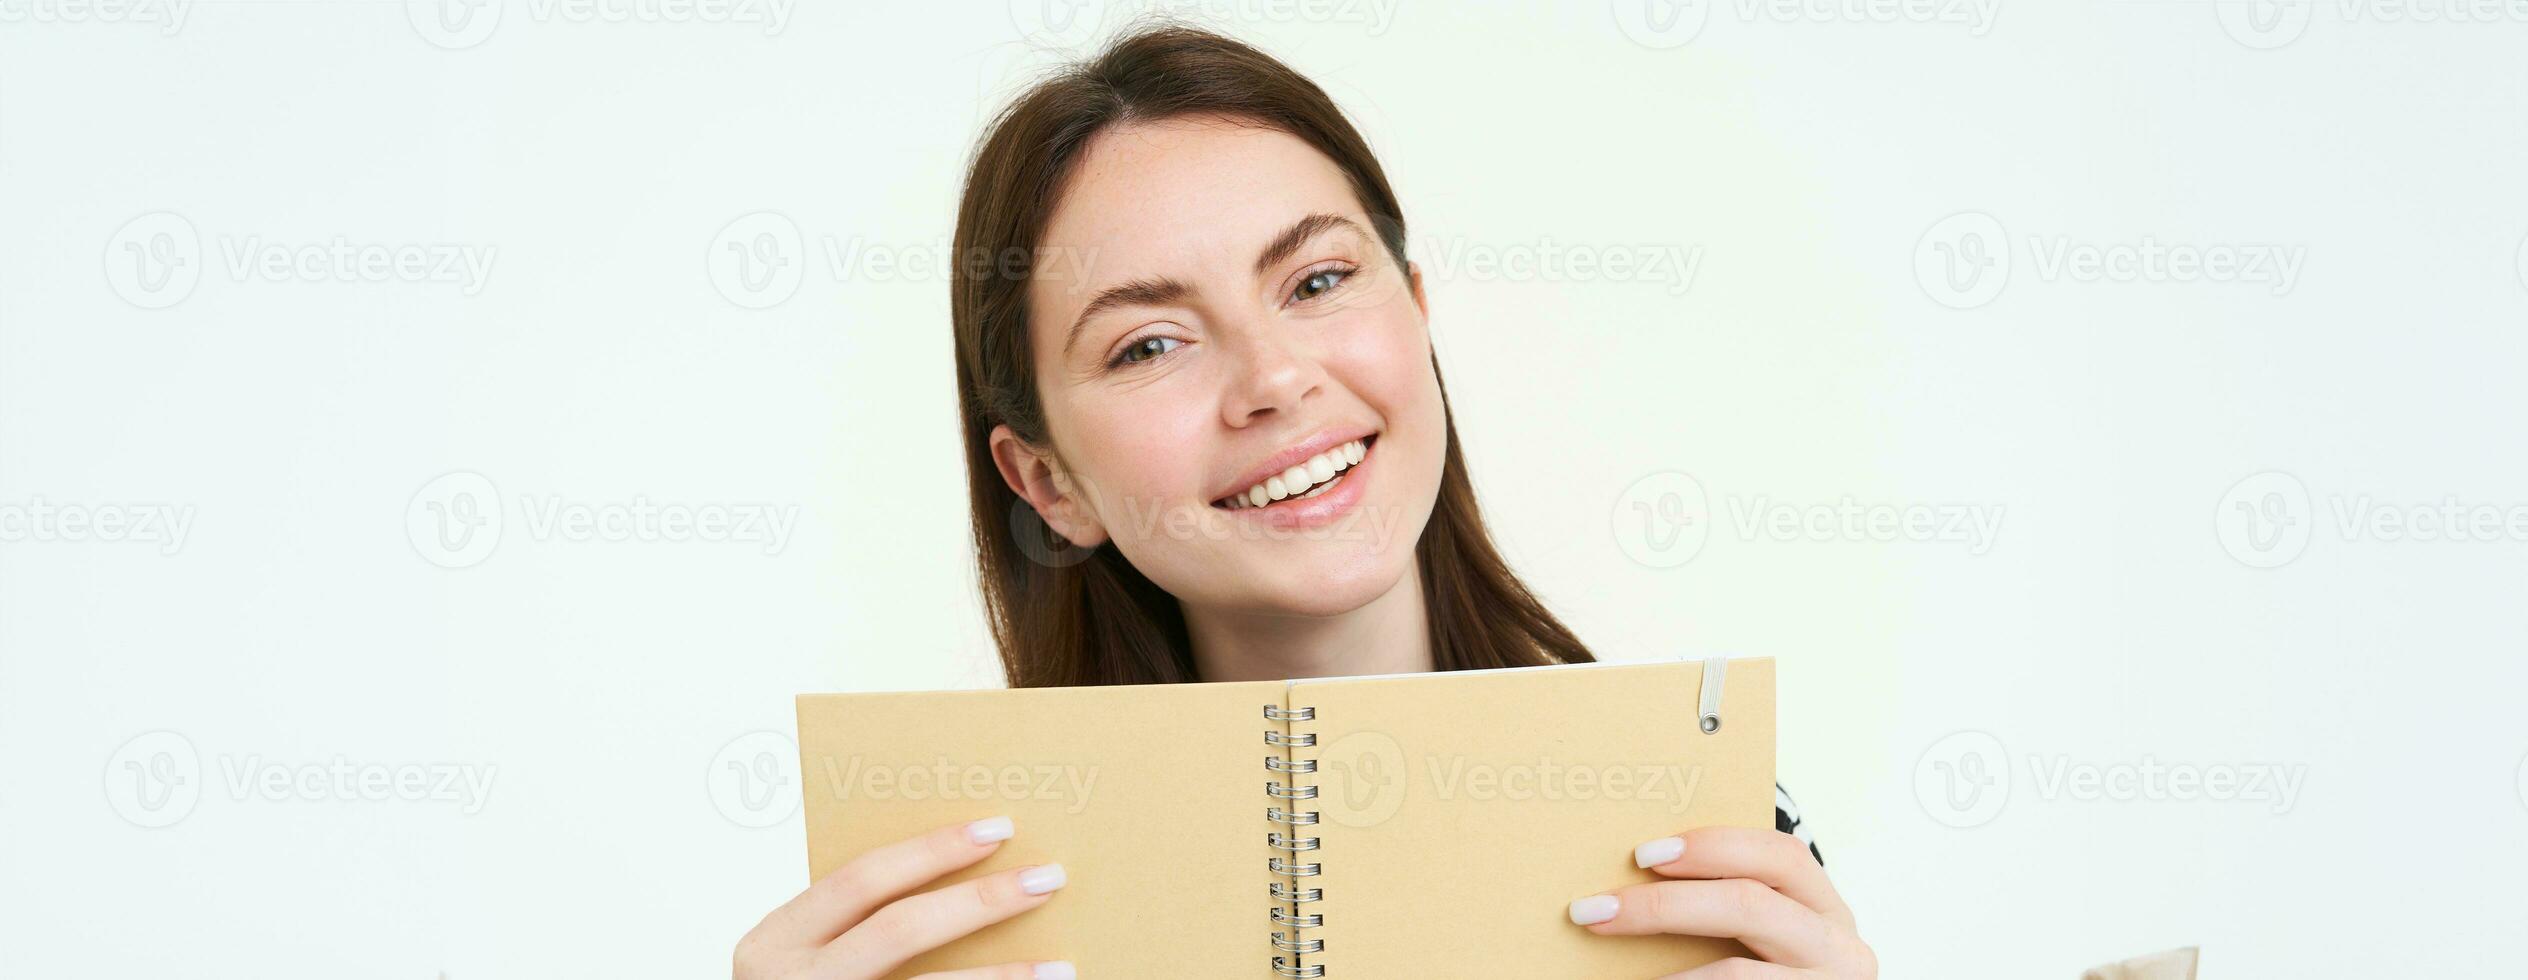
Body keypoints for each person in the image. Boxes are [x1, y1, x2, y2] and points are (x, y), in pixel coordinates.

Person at [736, 23, 1875, 980]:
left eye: (1317, 280)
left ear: (1416, 312)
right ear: (1049, 482)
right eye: (1148, 343)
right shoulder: (940, 912)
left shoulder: (1712, 838)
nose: (1273, 379)